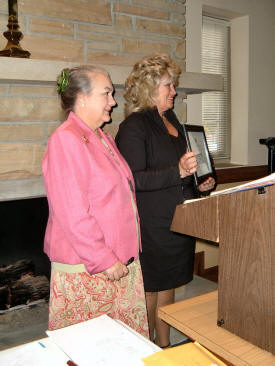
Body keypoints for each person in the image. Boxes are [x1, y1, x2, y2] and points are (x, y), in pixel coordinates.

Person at [115, 54, 215, 347]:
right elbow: (133, 179)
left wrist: (200, 184)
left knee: (168, 286)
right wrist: (178, 171)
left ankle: (164, 346)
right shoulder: (134, 126)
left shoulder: (171, 120)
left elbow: (184, 171)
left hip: (177, 221)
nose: (174, 91)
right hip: (152, 225)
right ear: (149, 88)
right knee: (150, 290)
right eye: (169, 85)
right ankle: (144, 348)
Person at [42, 65, 149, 337]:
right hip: (90, 269)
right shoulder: (65, 140)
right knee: (92, 349)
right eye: (107, 93)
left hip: (120, 262)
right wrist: (103, 259)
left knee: (123, 347)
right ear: (83, 98)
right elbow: (72, 213)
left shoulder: (101, 137)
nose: (113, 101)